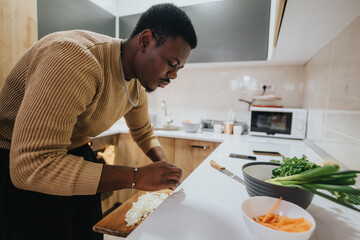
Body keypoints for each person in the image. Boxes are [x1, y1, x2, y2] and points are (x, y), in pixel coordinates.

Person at [0, 3, 197, 240]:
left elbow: (143, 131)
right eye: (172, 64)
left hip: (74, 153)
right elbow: (32, 165)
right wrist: (136, 176)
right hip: (17, 161)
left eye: (179, 68)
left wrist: (166, 172)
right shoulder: (74, 59)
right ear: (145, 41)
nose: (174, 75)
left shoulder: (135, 82)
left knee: (90, 233)